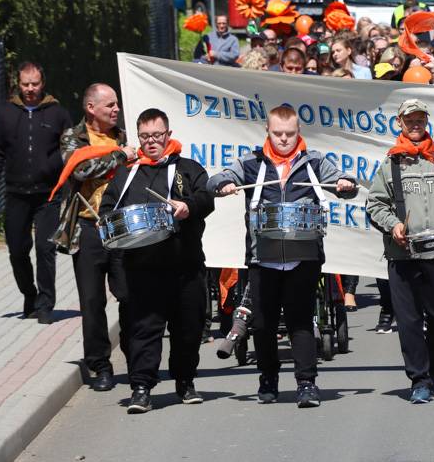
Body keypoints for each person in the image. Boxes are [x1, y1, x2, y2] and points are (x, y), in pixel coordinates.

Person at [208, 106, 357, 408]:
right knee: (262, 324)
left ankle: (306, 383)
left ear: (299, 132)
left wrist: (345, 184)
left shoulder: (313, 162)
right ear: (267, 131)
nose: (284, 139)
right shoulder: (251, 163)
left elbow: (345, 183)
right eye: (278, 134)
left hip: (304, 256)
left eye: (290, 134)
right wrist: (223, 185)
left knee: (301, 319)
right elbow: (215, 180)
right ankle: (268, 379)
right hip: (263, 256)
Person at [100, 108, 214, 413]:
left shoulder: (187, 169)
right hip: (142, 268)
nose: (152, 142)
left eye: (157, 135)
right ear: (139, 137)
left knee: (188, 328)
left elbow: (207, 197)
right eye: (146, 136)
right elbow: (108, 210)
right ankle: (141, 387)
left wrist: (187, 206)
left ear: (168, 135)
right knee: (142, 330)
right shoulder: (127, 173)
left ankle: (185, 382)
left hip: (185, 264)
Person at [366, 99, 434, 404]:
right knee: (409, 320)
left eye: (420, 120)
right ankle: (419, 379)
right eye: (409, 120)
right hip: (402, 257)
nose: (415, 125)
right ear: (399, 123)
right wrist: (393, 225)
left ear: (426, 122)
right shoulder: (390, 163)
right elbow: (375, 204)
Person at [53, 83, 136, 391]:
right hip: (88, 229)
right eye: (109, 105)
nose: (116, 109)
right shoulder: (74, 138)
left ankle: (136, 357)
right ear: (91, 108)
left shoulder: (124, 137)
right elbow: (82, 168)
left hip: (120, 227)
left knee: (128, 295)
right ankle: (99, 365)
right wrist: (120, 157)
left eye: (116, 104)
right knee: (92, 301)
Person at [0, 61, 72, 323]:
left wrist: (60, 172)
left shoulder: (58, 113)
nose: (30, 89)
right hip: (16, 193)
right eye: (25, 84)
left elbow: (70, 150)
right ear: (18, 85)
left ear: (42, 84)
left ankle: (45, 304)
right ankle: (29, 294)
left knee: (46, 248)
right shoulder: (6, 114)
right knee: (17, 250)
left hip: (49, 194)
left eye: (35, 84)